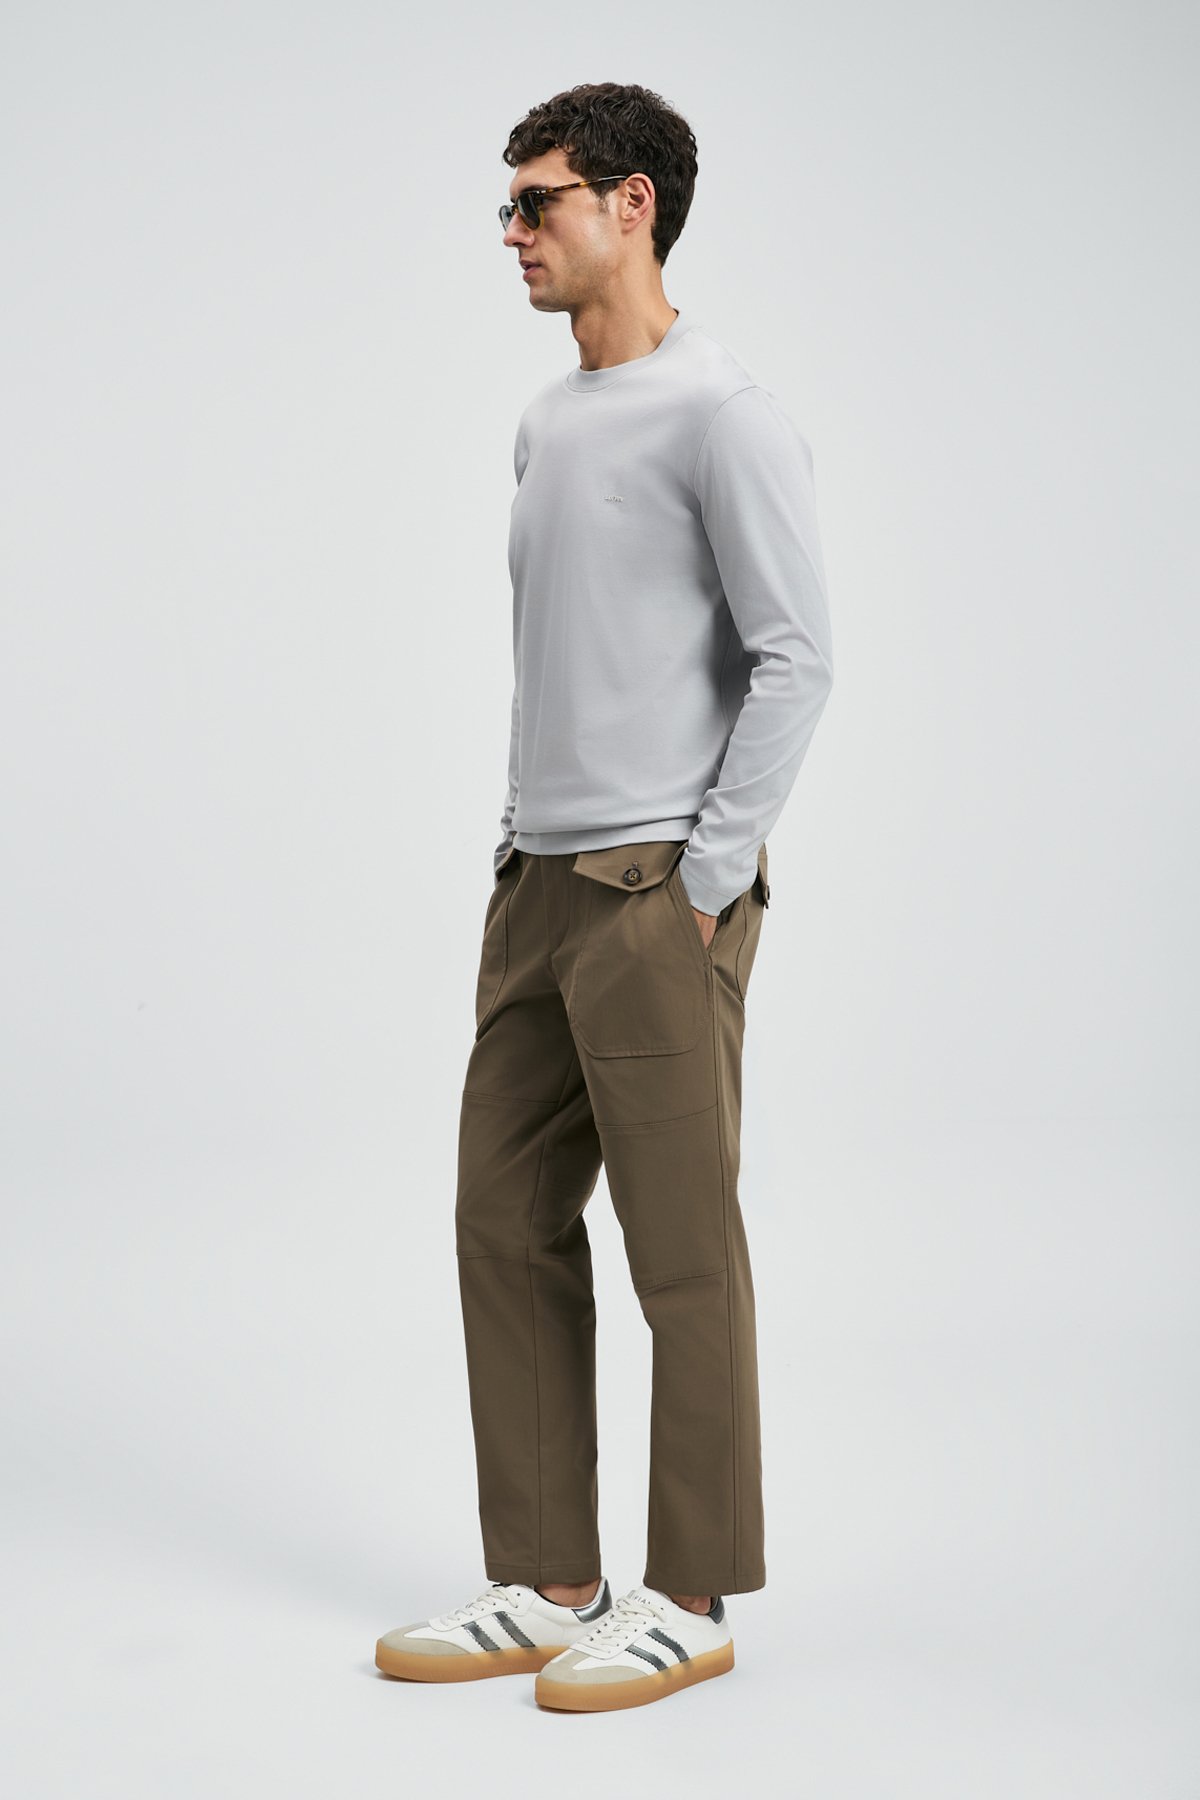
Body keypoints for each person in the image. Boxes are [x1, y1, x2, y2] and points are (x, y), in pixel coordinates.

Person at [376, 80, 834, 1713]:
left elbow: (796, 657)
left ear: (632, 206)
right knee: (501, 1216)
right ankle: (551, 1576)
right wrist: (520, 844)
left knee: (680, 1246)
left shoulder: (724, 414)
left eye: (538, 201)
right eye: (507, 204)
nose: (511, 232)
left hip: (656, 888)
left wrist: (706, 878)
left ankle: (690, 1597)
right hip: (539, 881)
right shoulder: (547, 419)